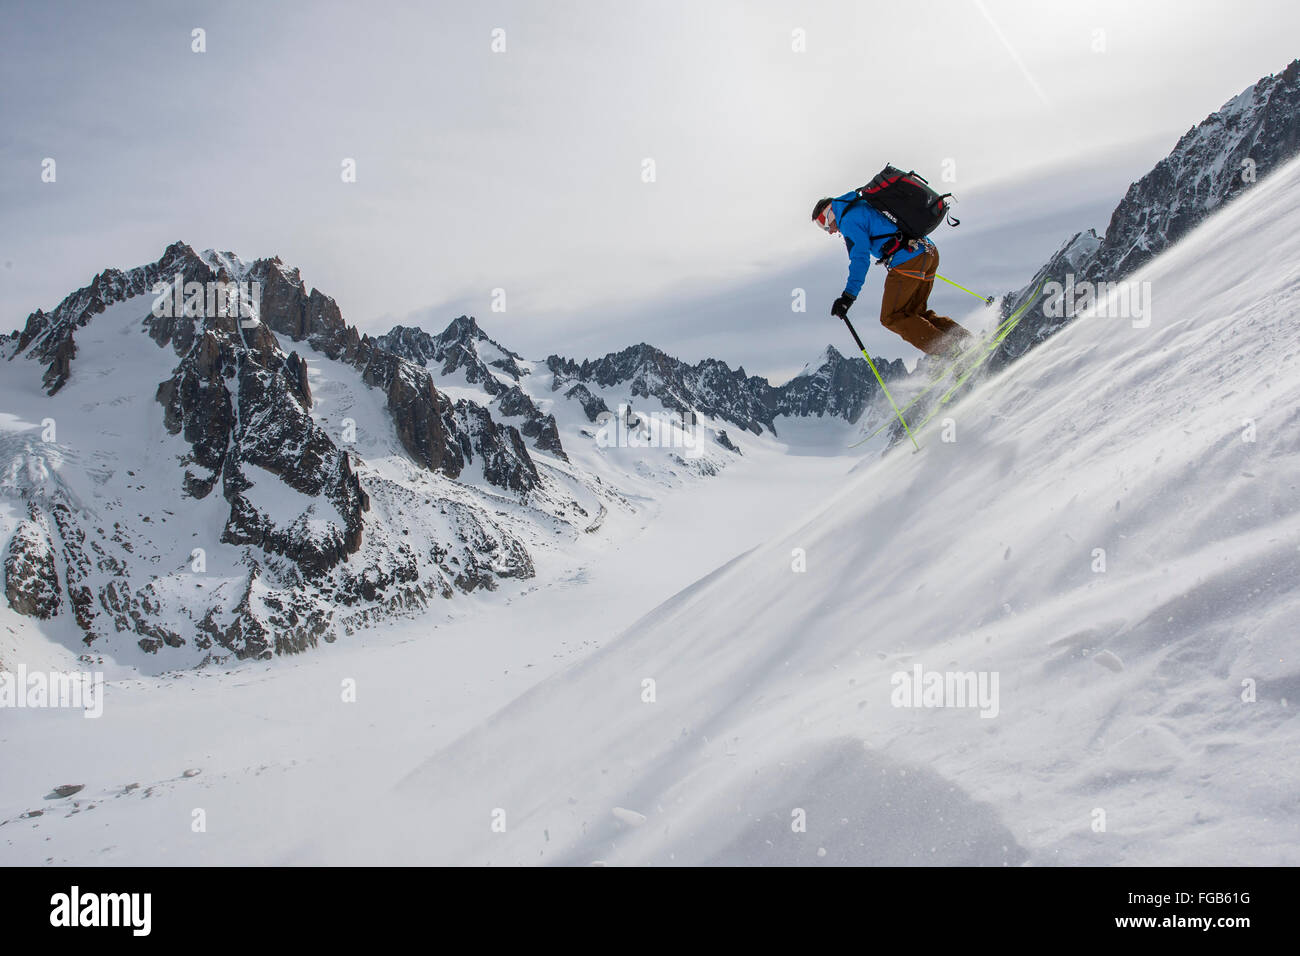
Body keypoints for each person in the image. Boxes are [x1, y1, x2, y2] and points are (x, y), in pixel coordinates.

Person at [812, 194, 972, 358]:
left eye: (824, 225)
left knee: (891, 317)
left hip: (908, 261)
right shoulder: (863, 203)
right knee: (914, 313)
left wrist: (848, 297)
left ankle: (950, 352)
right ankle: (968, 342)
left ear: (829, 213)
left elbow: (860, 259)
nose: (830, 231)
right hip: (928, 251)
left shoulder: (847, 220)